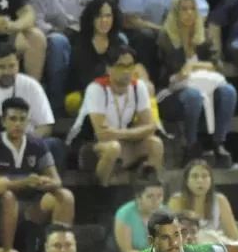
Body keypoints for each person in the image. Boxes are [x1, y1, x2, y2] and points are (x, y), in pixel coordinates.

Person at [156, 0, 237, 166]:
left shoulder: (203, 35)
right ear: (175, 13)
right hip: (169, 93)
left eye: (193, 9)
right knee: (193, 96)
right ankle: (191, 145)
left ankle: (218, 143)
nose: (189, 13)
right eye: (184, 9)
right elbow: (170, 72)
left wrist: (193, 66)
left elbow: (216, 64)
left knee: (228, 91)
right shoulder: (165, 38)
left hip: (202, 88)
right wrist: (190, 68)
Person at [66, 44, 165, 186]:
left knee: (155, 144)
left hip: (122, 142)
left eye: (130, 66)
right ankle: (102, 191)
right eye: (120, 66)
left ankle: (150, 189)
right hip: (90, 146)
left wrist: (120, 133)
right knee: (113, 148)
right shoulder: (96, 89)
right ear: (109, 69)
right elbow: (102, 135)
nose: (126, 71)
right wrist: (133, 133)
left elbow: (150, 127)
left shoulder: (138, 87)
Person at [23, 0, 97, 113]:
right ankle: (56, 103)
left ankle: (94, 99)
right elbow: (35, 20)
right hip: (49, 37)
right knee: (59, 42)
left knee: (112, 38)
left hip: (80, 33)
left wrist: (82, 28)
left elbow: (95, 10)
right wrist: (57, 31)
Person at [0, 97, 75, 226]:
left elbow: (57, 181)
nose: (18, 124)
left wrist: (44, 183)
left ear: (28, 122)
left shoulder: (38, 144)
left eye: (22, 119)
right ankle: (6, 240)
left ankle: (59, 237)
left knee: (65, 196)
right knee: (7, 198)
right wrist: (25, 182)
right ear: (3, 121)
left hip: (32, 201)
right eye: (13, 119)